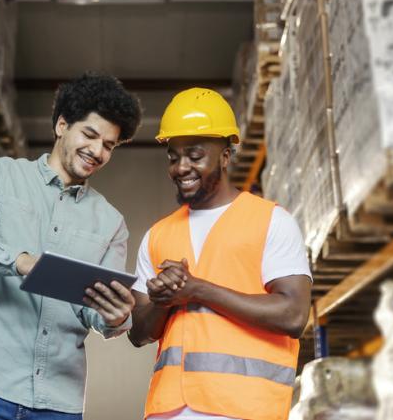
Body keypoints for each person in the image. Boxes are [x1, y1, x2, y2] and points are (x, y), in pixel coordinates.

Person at [0, 73, 142, 420]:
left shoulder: (111, 223)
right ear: (62, 125)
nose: (97, 151)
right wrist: (20, 261)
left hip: (58, 403)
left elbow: (94, 313)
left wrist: (115, 317)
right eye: (89, 135)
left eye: (109, 145)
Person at [128, 88, 312, 420]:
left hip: (245, 410)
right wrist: (162, 300)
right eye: (173, 157)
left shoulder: (271, 221)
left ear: (225, 156)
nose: (181, 167)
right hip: (169, 411)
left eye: (195, 155)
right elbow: (138, 333)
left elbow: (294, 315)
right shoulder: (158, 235)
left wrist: (197, 290)